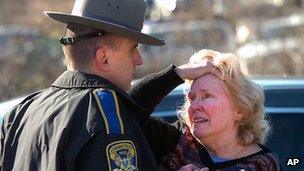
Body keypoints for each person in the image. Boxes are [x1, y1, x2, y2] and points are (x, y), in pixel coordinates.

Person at [0, 1, 215, 171]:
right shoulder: (104, 113)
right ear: (104, 58)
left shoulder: (20, 113)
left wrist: (175, 75)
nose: (139, 59)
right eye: (133, 49)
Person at [130, 49, 281, 171]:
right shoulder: (174, 143)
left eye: (207, 96)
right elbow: (124, 109)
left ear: (240, 110)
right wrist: (178, 73)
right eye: (191, 97)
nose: (194, 106)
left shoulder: (262, 165)